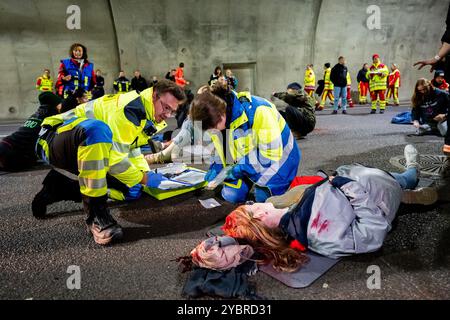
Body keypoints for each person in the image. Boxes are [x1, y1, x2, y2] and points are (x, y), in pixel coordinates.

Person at [221, 145, 438, 271]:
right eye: (250, 206)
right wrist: (349, 186)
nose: (253, 203)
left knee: (290, 195)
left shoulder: (289, 218)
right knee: (406, 178)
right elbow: (374, 232)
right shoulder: (321, 236)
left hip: (361, 176)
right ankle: (410, 175)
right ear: (259, 214)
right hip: (377, 189)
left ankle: (406, 192)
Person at [32, 80, 186, 245]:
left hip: (87, 149)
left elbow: (131, 149)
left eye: (172, 112)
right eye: (166, 107)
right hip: (52, 138)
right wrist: (144, 178)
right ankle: (96, 214)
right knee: (97, 130)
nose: (167, 115)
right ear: (154, 96)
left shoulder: (144, 113)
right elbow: (114, 158)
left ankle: (62, 187)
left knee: (132, 190)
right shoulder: (129, 110)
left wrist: (144, 173)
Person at [189, 84, 301, 204]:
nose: (212, 132)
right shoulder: (217, 119)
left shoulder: (260, 110)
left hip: (280, 158)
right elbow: (225, 152)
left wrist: (236, 170)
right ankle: (249, 178)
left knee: (263, 199)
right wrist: (218, 167)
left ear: (221, 115)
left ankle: (264, 185)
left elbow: (270, 155)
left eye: (212, 128)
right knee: (231, 196)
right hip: (249, 159)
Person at [0, 91, 86, 172]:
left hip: (5, 144)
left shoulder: (36, 114)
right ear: (54, 105)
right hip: (12, 153)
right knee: (33, 161)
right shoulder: (51, 117)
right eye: (59, 103)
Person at [413, 3, 450, 155]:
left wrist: (445, 116)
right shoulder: (419, 98)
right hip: (431, 122)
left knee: (444, 128)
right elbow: (415, 110)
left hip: (442, 120)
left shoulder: (441, 94)